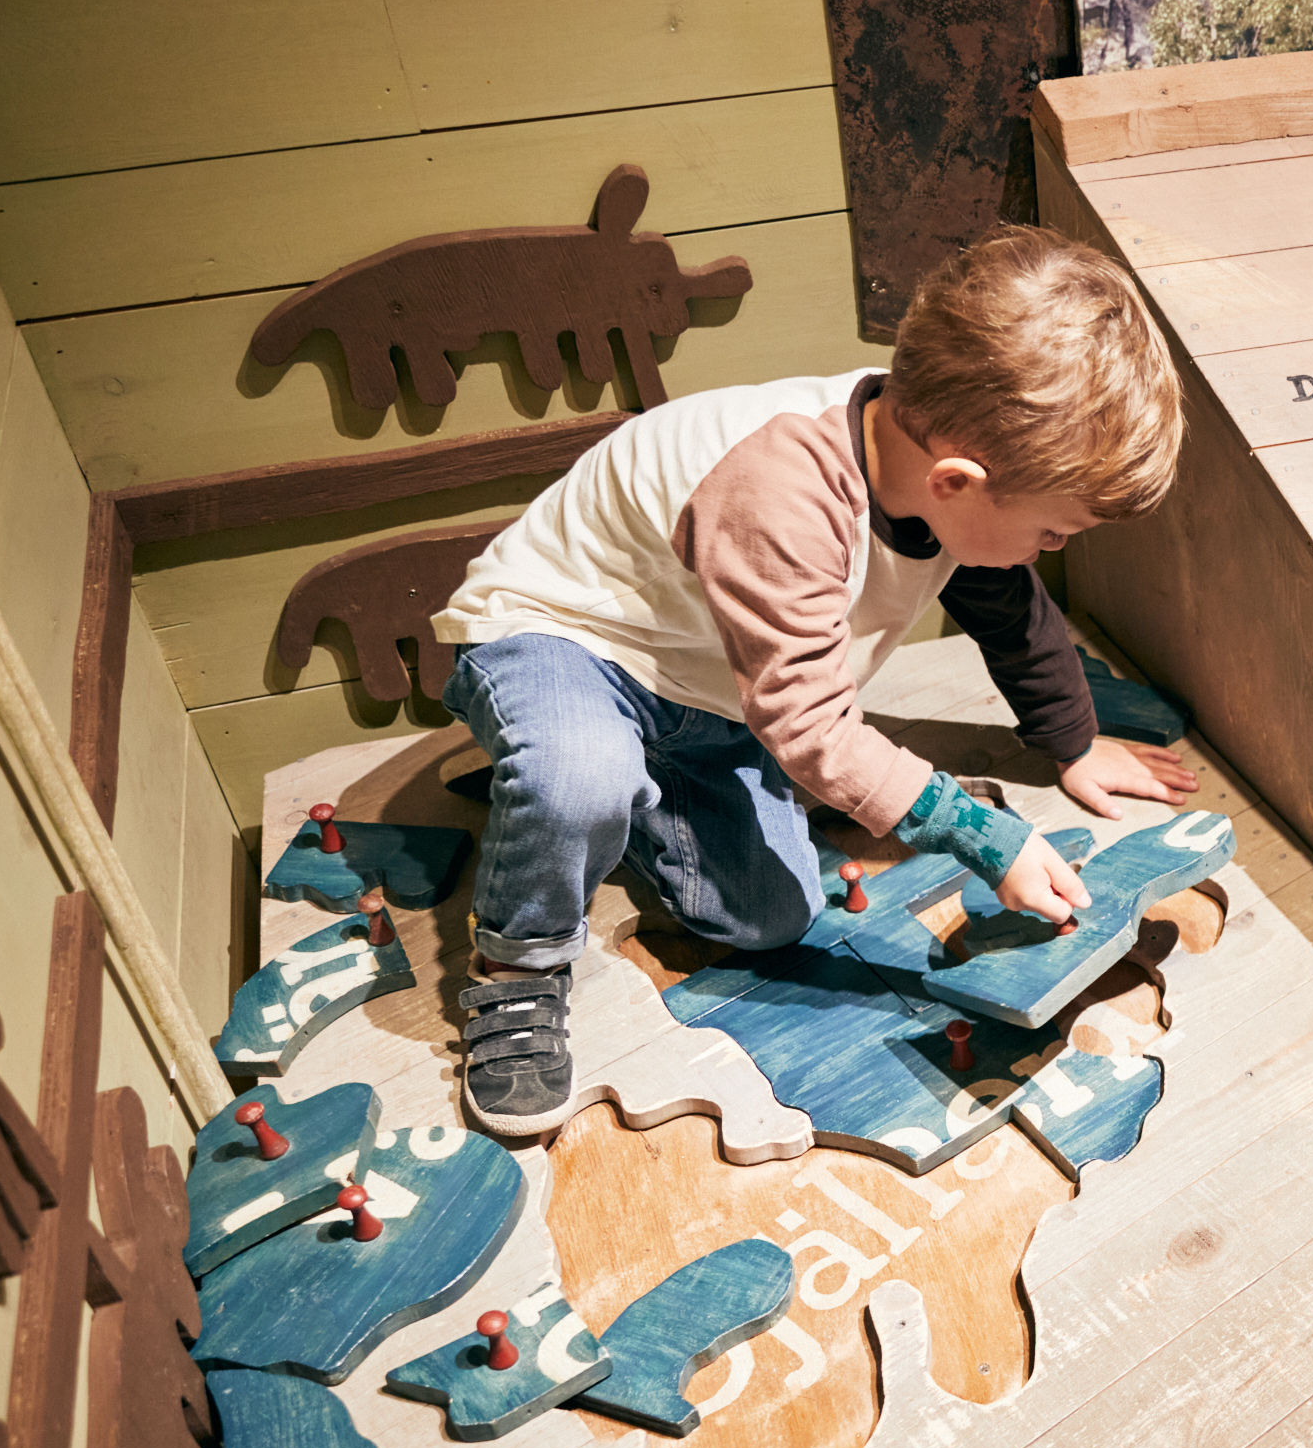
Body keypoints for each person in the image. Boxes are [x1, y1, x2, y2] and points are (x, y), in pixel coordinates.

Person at [428, 225, 1198, 1135]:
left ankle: (599, 796)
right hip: (565, 641)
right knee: (577, 776)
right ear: (957, 480)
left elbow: (1012, 612)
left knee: (769, 917)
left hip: (712, 695)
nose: (1052, 551)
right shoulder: (781, 492)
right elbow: (811, 724)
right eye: (1054, 532)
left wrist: (1071, 741)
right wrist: (985, 837)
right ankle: (521, 966)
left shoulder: (938, 478)